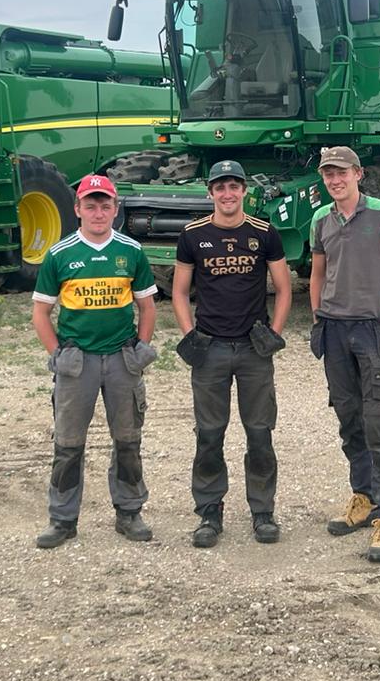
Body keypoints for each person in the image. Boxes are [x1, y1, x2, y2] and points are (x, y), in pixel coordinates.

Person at [30, 174, 160, 549]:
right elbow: (41, 313)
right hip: (78, 362)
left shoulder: (131, 251)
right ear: (77, 210)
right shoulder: (60, 254)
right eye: (91, 205)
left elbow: (147, 306)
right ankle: (63, 519)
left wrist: (142, 348)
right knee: (68, 443)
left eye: (106, 205)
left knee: (127, 439)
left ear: (116, 210)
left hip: (121, 359)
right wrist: (58, 354)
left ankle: (129, 512)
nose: (98, 212)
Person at [172, 160, 292, 548]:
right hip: (210, 349)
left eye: (234, 186)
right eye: (220, 187)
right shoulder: (193, 236)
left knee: (260, 433)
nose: (227, 194)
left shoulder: (263, 233)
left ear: (244, 191)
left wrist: (274, 332)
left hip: (253, 349)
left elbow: (284, 288)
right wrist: (190, 334)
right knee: (209, 434)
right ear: (210, 193)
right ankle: (209, 512)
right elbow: (178, 292)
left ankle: (263, 512)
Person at [308, 146, 380, 563]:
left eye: (342, 173)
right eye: (328, 175)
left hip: (373, 331)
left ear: (358, 174)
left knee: (378, 423)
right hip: (335, 331)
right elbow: (317, 272)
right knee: (349, 420)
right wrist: (319, 316)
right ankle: (363, 497)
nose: (335, 180)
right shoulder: (321, 219)